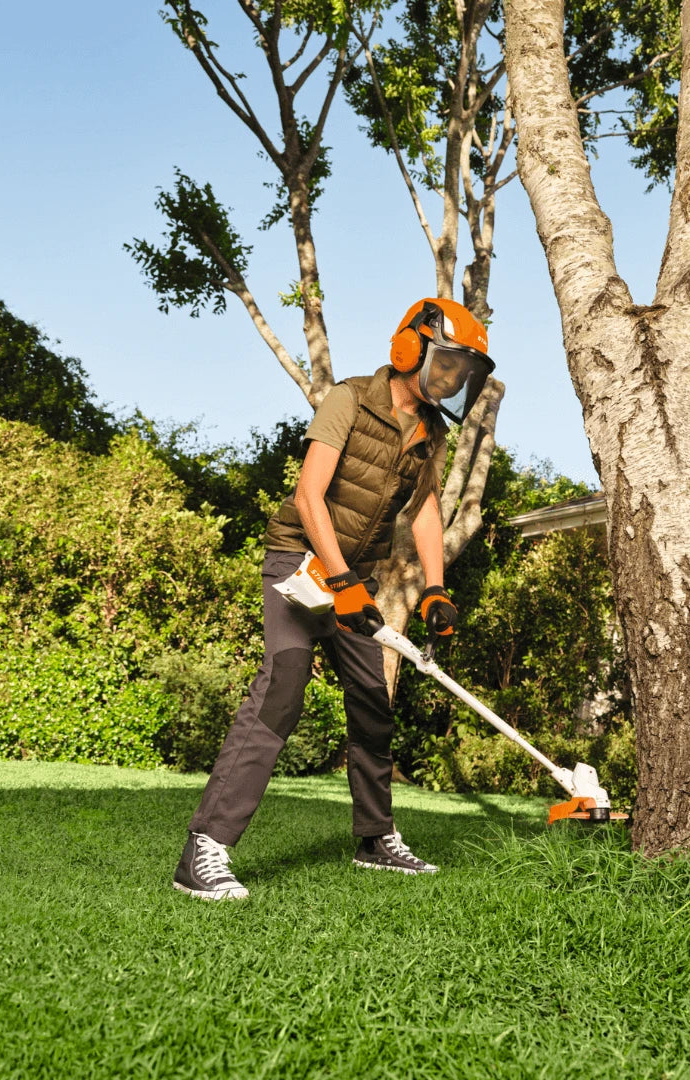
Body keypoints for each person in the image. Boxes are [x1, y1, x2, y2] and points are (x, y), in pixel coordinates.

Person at [173, 298, 495, 899]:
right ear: (409, 350)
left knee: (373, 703)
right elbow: (309, 495)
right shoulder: (348, 399)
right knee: (283, 689)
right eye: (447, 363)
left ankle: (376, 840)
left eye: (462, 371)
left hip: (355, 578)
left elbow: (425, 509)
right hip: (298, 564)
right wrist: (341, 583)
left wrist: (435, 588)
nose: (453, 379)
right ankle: (205, 850)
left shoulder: (431, 433)